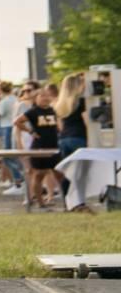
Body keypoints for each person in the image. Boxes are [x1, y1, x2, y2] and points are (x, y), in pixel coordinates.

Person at [17, 87, 61, 209]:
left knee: (59, 173)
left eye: (47, 95)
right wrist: (31, 131)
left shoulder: (54, 110)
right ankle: (40, 202)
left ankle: (66, 200)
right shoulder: (33, 111)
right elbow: (17, 122)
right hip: (39, 146)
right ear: (36, 98)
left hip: (54, 145)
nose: (45, 98)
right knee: (39, 175)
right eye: (42, 96)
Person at [57, 72, 91, 211]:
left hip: (64, 139)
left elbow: (60, 126)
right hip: (79, 138)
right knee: (81, 173)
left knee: (68, 173)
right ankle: (79, 203)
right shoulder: (81, 102)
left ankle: (67, 203)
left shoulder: (60, 104)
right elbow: (87, 121)